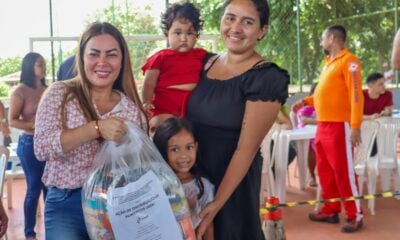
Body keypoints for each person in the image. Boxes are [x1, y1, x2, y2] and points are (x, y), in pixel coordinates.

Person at [34, 22, 147, 239]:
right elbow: (42, 148)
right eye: (94, 54)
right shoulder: (61, 94)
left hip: (116, 206)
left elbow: (139, 168)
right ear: (82, 57)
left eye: (111, 55)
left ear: (122, 60)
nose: (102, 62)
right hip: (67, 204)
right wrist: (96, 128)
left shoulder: (132, 111)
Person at [187, 0, 289, 239]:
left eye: (248, 21)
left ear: (262, 31)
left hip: (232, 186)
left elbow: (246, 149)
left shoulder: (265, 77)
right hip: (194, 179)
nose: (236, 27)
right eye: (230, 18)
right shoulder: (203, 63)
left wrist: (216, 203)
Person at [292, 24, 364, 233]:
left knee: (343, 173)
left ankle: (355, 215)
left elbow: (356, 96)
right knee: (325, 171)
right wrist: (305, 102)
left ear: (332, 38)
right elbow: (324, 95)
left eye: (323, 38)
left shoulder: (350, 62)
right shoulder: (328, 64)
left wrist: (356, 126)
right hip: (323, 126)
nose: (321, 42)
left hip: (339, 127)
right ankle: (331, 209)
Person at [141, 2, 207, 134]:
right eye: (177, 33)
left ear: (197, 35)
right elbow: (149, 82)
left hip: (193, 112)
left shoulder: (201, 55)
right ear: (167, 34)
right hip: (165, 110)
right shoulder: (161, 56)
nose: (183, 38)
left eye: (190, 33)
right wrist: (146, 102)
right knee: (160, 126)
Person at [153, 117, 214, 240]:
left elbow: (208, 225)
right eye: (175, 149)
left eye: (189, 147)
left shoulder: (203, 185)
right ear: (162, 150)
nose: (184, 155)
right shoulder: (155, 185)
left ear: (196, 147)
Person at [8, 52, 48, 240]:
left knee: (50, 186)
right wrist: (33, 125)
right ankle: (29, 232)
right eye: (40, 64)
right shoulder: (20, 91)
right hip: (30, 143)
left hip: (48, 143)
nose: (43, 67)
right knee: (34, 188)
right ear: (29, 66)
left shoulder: (48, 89)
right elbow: (13, 121)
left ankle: (52, 226)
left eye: (44, 64)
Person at [296, 83, 318, 187]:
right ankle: (312, 175)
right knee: (312, 147)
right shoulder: (308, 105)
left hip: (322, 134)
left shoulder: (328, 105)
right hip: (307, 137)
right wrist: (321, 121)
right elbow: (303, 120)